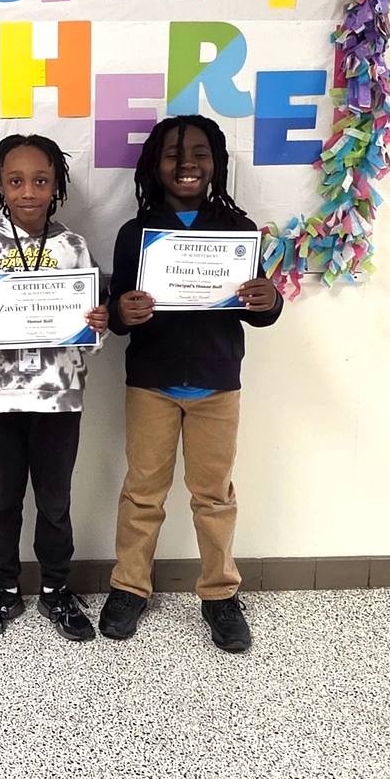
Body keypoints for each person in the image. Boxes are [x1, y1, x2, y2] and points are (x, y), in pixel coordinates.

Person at [99, 114, 282, 653]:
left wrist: (270, 301)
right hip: (152, 382)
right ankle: (129, 586)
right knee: (142, 492)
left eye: (200, 154)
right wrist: (122, 313)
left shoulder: (239, 230)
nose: (187, 165)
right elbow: (118, 312)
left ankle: (220, 594)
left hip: (216, 384)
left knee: (214, 495)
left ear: (216, 163)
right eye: (174, 156)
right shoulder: (137, 234)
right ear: (155, 165)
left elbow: (256, 310)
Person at [0, 134, 108, 642]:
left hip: (59, 397)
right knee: (4, 500)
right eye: (15, 181)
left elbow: (93, 337)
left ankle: (57, 589)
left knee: (55, 501)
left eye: (40, 180)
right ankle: (5, 588)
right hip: (0, 397)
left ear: (56, 185)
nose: (28, 191)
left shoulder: (74, 247)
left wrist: (97, 325)